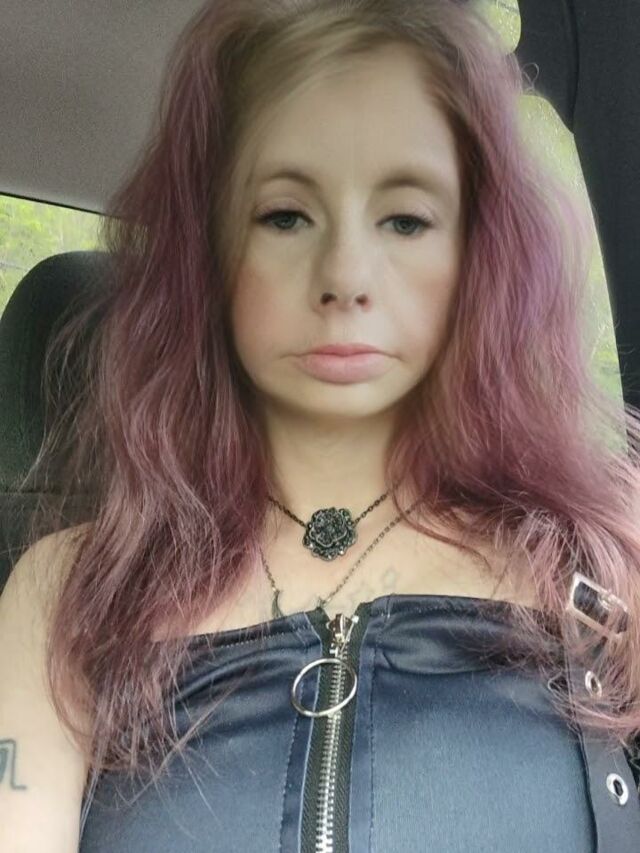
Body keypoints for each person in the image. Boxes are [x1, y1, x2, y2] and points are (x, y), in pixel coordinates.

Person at [2, 1, 640, 851]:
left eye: (405, 218)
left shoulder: (607, 555)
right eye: (285, 215)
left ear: (477, 256)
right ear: (211, 257)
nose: (345, 275)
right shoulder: (66, 598)